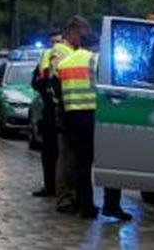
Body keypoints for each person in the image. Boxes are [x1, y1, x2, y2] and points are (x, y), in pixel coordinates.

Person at [54, 16, 131, 220]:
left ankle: (85, 207)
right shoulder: (96, 61)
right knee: (111, 159)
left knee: (82, 164)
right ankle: (112, 205)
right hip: (96, 116)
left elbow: (57, 91)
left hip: (73, 117)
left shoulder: (64, 63)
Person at [30, 29, 69, 197]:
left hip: (64, 111)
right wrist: (46, 88)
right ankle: (49, 185)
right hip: (49, 111)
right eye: (52, 42)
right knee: (48, 152)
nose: (55, 46)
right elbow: (35, 82)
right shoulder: (45, 58)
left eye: (58, 41)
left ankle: (64, 188)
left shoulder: (68, 57)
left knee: (65, 153)